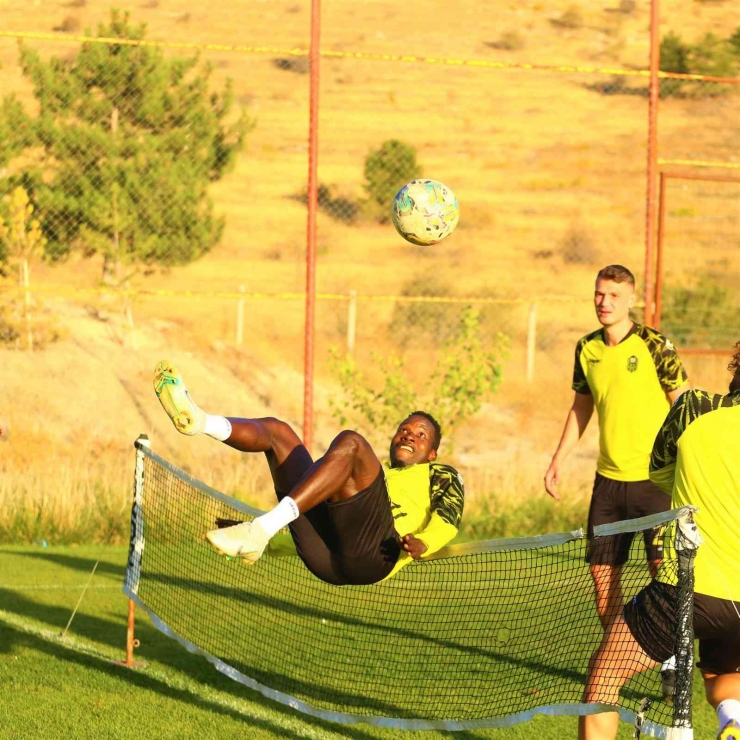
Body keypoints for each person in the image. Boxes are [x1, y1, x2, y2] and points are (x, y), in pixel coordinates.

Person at [152, 361, 465, 586]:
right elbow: (322, 517)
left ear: (432, 453)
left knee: (352, 443)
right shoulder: (372, 473)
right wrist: (267, 540)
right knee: (278, 432)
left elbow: (448, 520)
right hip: (324, 559)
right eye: (404, 430)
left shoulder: (439, 474)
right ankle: (201, 422)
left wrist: (424, 542)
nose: (409, 435)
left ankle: (260, 529)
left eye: (421, 435)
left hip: (374, 557)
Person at [578, 341, 740, 740]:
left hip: (690, 590)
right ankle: (734, 722)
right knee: (722, 681)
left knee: (605, 676)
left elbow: (660, 474)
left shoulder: (696, 408)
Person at [544, 264, 689, 695]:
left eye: (612, 295)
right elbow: (581, 406)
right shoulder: (586, 349)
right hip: (607, 484)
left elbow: (683, 403)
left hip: (656, 481)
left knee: (663, 573)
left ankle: (673, 657)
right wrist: (557, 458)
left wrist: (688, 462)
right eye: (598, 294)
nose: (603, 302)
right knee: (601, 576)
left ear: (630, 300)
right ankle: (617, 656)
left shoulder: (654, 345)